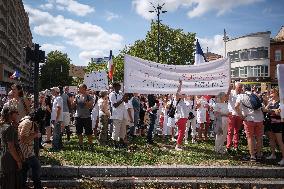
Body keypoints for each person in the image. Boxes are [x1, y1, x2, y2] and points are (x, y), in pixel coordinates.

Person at [235, 86, 264, 161]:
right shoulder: (256, 95)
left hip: (249, 119)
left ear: (243, 89)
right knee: (259, 137)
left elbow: (236, 106)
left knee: (250, 137)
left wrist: (241, 116)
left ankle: (252, 156)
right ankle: (259, 154)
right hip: (259, 119)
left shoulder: (241, 96)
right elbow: (262, 107)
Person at [0, 106, 23, 189]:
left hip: (3, 155)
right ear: (11, 114)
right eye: (16, 113)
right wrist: (19, 160)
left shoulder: (3, 126)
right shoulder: (9, 128)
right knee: (10, 182)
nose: (18, 114)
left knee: (5, 181)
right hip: (10, 157)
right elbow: (11, 147)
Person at [18, 114, 42, 189]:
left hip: (25, 151)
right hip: (26, 151)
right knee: (36, 165)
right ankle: (37, 186)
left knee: (24, 169)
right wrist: (35, 135)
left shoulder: (26, 121)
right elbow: (22, 139)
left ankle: (23, 186)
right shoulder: (28, 123)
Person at [264, 89, 284, 166]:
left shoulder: (280, 102)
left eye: (272, 92)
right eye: (270, 92)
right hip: (270, 123)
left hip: (278, 123)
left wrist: (270, 110)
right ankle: (273, 154)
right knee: (271, 139)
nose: (270, 93)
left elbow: (278, 112)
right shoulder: (271, 101)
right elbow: (264, 109)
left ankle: (283, 158)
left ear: (276, 93)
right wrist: (269, 104)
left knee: (280, 141)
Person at [72, 84, 94, 150]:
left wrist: (87, 103)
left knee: (89, 133)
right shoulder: (77, 96)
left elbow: (91, 106)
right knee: (79, 132)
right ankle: (80, 145)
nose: (78, 89)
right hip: (78, 116)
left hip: (86, 117)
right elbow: (72, 106)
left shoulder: (89, 96)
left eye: (80, 88)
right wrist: (73, 102)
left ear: (84, 88)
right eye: (78, 88)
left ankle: (90, 145)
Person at [109, 83, 128, 148]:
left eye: (120, 86)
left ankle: (121, 142)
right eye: (118, 86)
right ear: (115, 87)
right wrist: (123, 98)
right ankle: (115, 143)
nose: (120, 87)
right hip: (116, 115)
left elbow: (126, 101)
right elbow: (115, 105)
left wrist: (126, 96)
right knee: (116, 130)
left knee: (123, 130)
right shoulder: (112, 94)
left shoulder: (121, 93)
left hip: (123, 114)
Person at [226, 82, 243, 152]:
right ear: (235, 87)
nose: (240, 88)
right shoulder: (231, 92)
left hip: (239, 114)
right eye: (239, 87)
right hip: (232, 114)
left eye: (241, 87)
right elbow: (226, 98)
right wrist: (229, 89)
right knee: (230, 131)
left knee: (237, 131)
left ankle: (235, 146)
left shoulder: (242, 94)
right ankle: (228, 146)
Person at [174, 81, 190, 151]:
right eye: (183, 94)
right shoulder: (177, 100)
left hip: (184, 118)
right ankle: (177, 146)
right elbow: (177, 93)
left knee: (182, 132)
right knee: (181, 132)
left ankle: (179, 144)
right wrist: (180, 84)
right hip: (180, 118)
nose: (184, 95)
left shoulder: (183, 102)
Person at [50, 87, 63, 151]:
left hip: (57, 119)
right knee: (57, 133)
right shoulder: (56, 98)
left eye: (52, 90)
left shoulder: (58, 98)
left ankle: (55, 147)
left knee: (55, 134)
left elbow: (59, 108)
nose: (51, 92)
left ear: (56, 91)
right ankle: (59, 146)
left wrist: (56, 119)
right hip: (56, 118)